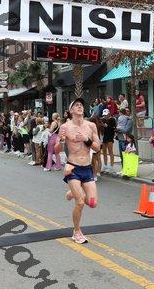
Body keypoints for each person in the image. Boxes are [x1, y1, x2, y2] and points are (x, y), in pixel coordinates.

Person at [56, 98, 101, 244]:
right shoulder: (65, 127)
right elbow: (56, 150)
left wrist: (86, 139)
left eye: (81, 104)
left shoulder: (91, 126)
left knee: (93, 203)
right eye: (76, 105)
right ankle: (76, 231)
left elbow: (97, 147)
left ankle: (72, 192)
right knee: (80, 202)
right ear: (71, 110)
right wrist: (61, 141)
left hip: (87, 168)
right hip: (72, 167)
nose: (80, 106)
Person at [100, 109, 116, 173]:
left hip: (110, 137)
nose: (105, 116)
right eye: (104, 115)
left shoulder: (112, 119)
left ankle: (111, 166)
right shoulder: (103, 120)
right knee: (104, 152)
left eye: (106, 115)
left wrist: (105, 125)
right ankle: (105, 165)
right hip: (104, 137)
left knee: (110, 152)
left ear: (109, 114)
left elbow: (112, 127)